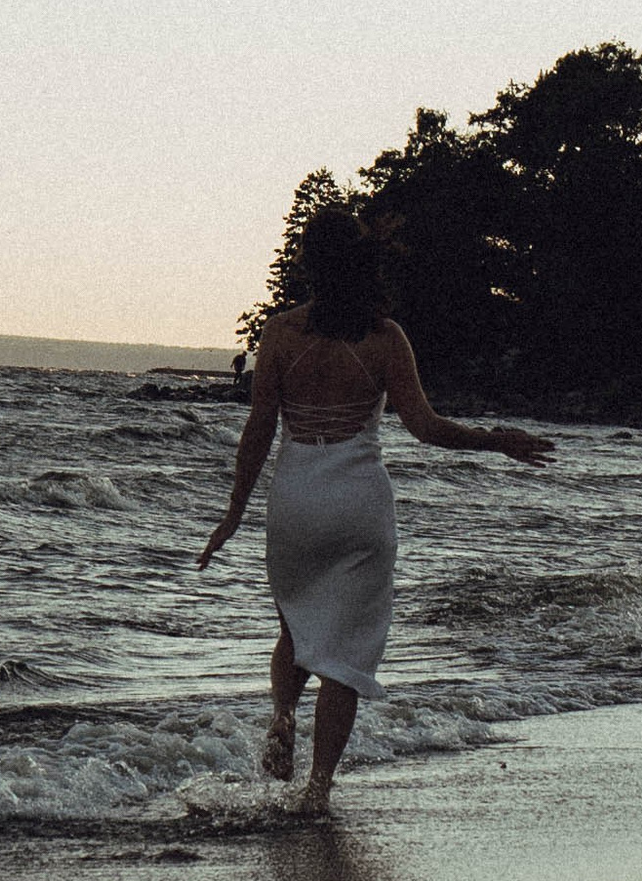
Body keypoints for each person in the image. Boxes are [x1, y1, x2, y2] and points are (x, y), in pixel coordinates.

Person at [197, 207, 554, 813]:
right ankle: (317, 791)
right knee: (344, 654)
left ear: (310, 264)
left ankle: (282, 718)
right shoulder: (386, 338)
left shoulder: (281, 334)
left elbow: (259, 429)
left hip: (297, 496)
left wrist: (234, 512)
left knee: (294, 628)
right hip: (359, 498)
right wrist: (497, 440)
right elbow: (424, 426)